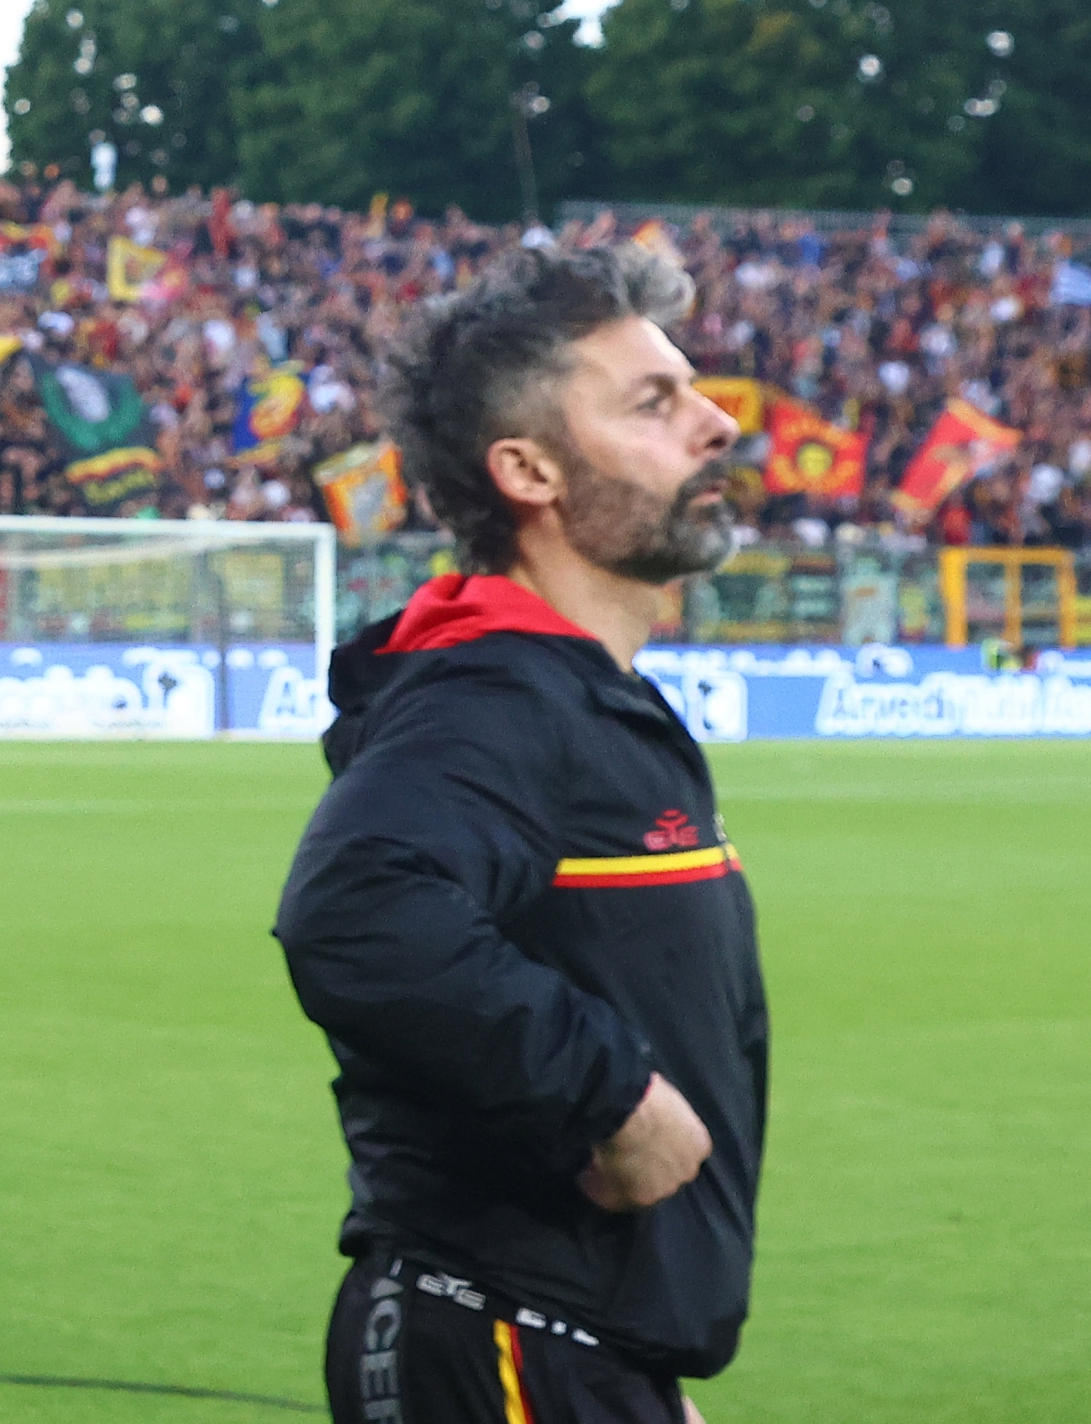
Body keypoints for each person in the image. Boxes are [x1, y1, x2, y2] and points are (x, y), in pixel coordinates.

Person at [274, 244, 766, 1424]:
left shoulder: (571, 689)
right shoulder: (493, 693)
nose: (715, 425)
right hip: (500, 1346)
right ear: (529, 468)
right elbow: (357, 908)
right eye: (655, 401)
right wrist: (613, 1096)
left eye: (692, 388)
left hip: (567, 1349)